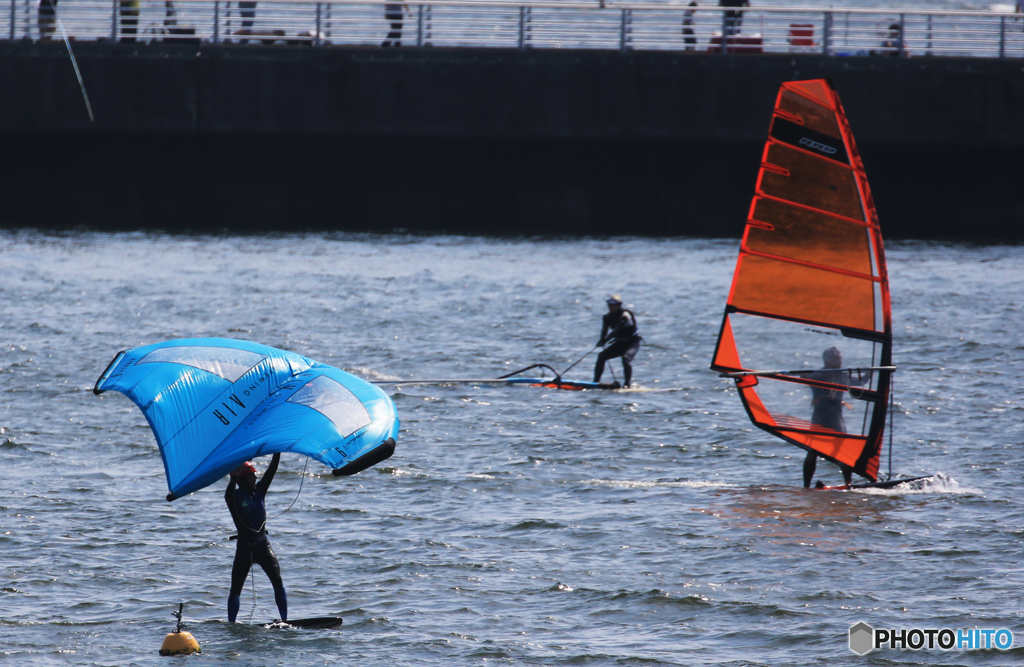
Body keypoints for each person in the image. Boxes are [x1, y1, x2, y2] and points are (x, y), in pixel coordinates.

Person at [225, 454, 287, 623]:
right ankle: (232, 624)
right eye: (253, 474)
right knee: (235, 590)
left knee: (278, 581)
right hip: (244, 549)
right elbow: (230, 488)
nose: (256, 476)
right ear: (244, 478)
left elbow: (272, 470)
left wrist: (277, 451)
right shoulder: (233, 497)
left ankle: (285, 620)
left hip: (262, 546)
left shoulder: (260, 490)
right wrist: (233, 474)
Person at [802, 347, 869, 488]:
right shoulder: (819, 374)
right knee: (812, 452)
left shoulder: (842, 375)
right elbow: (804, 378)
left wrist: (871, 371)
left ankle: (848, 483)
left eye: (840, 358)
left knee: (843, 449)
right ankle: (806, 487)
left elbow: (861, 382)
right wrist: (804, 372)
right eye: (836, 358)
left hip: (836, 417)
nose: (840, 361)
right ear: (827, 360)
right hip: (820, 417)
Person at [593, 295, 642, 388]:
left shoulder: (625, 315)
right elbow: (604, 330)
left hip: (632, 343)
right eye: (609, 304)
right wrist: (601, 340)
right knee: (601, 356)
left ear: (619, 305)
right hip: (620, 343)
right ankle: (595, 382)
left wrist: (605, 340)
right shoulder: (606, 317)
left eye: (614, 305)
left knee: (625, 359)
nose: (611, 307)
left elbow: (617, 331)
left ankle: (627, 384)